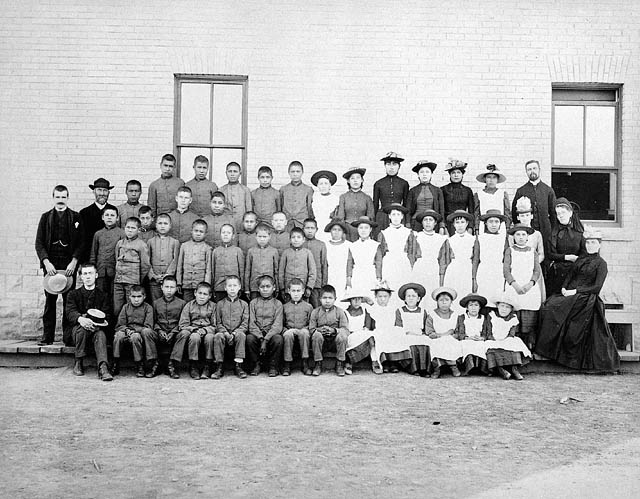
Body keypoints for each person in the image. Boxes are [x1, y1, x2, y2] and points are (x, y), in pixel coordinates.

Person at [536, 226, 620, 372]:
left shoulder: (601, 264)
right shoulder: (581, 259)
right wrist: (564, 287)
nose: (590, 246)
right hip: (570, 293)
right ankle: (547, 350)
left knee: (556, 309)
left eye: (593, 243)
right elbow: (570, 275)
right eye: (588, 243)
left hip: (586, 298)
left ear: (599, 245)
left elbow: (596, 287)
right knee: (548, 305)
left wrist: (575, 291)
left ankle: (558, 353)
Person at [36, 185, 83, 341]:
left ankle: (68, 337)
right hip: (51, 265)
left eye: (63, 197)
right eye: (58, 197)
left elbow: (81, 243)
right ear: (53, 198)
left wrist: (74, 262)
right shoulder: (45, 217)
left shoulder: (76, 217)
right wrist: (46, 262)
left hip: (69, 264)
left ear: (68, 198)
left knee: (69, 302)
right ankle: (47, 336)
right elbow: (39, 243)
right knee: (50, 301)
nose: (61, 200)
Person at [66, 263, 112, 380]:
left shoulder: (103, 295)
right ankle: (78, 361)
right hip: (78, 330)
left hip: (97, 329)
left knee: (101, 335)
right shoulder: (73, 294)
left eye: (90, 273)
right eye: (84, 274)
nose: (88, 276)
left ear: (96, 275)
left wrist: (96, 324)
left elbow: (108, 314)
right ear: (81, 276)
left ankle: (103, 367)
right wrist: (81, 319)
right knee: (81, 330)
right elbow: (70, 312)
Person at [504, 224, 543, 350]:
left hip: (529, 287)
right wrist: (514, 284)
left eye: (523, 235)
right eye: (518, 235)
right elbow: (506, 271)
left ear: (527, 237)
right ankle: (514, 346)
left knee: (529, 315)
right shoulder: (510, 250)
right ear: (514, 237)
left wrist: (530, 284)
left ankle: (529, 346)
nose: (521, 237)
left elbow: (537, 271)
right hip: (514, 286)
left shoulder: (533, 251)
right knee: (515, 313)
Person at [511, 160, 557, 254]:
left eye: (534, 168)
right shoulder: (521, 191)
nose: (532, 171)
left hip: (545, 232)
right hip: (526, 234)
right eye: (529, 169)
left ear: (539, 170)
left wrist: (551, 232)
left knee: (544, 256)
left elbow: (554, 214)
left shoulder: (548, 190)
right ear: (526, 172)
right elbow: (515, 214)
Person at [483, 294, 531, 380]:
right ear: (497, 306)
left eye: (507, 307)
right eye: (502, 306)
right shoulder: (492, 315)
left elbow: (511, 333)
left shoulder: (513, 318)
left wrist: (506, 339)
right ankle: (501, 369)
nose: (504, 309)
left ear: (511, 309)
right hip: (493, 339)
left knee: (514, 345)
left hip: (507, 339)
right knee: (490, 347)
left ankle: (514, 369)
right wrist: (492, 338)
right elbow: (488, 331)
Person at [377, 203, 418, 304]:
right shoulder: (383, 233)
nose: (396, 217)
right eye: (393, 214)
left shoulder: (408, 233)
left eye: (398, 214)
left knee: (403, 286)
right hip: (389, 263)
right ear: (389, 216)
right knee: (390, 287)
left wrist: (411, 267)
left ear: (402, 216)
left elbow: (412, 252)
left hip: (403, 262)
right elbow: (380, 254)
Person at [367, 284, 412, 374]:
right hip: (378, 331)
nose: (382, 299)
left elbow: (397, 323)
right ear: (375, 296)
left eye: (385, 296)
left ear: (389, 296)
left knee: (396, 333)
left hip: (391, 329)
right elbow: (369, 325)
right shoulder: (372, 309)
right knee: (380, 337)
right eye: (380, 296)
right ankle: (385, 362)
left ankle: (393, 362)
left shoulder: (393, 309)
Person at [113, 217, 151, 319]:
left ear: (138, 230)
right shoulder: (120, 243)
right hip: (118, 281)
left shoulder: (141, 245)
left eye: (133, 228)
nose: (130, 230)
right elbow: (116, 259)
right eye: (128, 227)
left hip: (132, 283)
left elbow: (145, 265)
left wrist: (137, 280)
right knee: (117, 308)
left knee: (131, 308)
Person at [112, 285, 154, 378]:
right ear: (129, 297)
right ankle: (116, 362)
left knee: (135, 337)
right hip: (126, 331)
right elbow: (120, 325)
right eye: (133, 297)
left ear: (144, 297)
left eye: (139, 297)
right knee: (118, 335)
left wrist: (135, 331)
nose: (136, 300)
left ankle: (139, 364)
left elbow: (148, 326)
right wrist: (126, 330)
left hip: (139, 333)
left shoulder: (148, 308)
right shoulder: (125, 307)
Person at [546, 198, 585, 296]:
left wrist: (577, 260)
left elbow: (585, 254)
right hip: (557, 273)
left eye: (563, 212)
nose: (561, 216)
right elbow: (550, 254)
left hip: (575, 273)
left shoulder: (580, 233)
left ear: (570, 213)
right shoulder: (554, 233)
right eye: (558, 213)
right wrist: (566, 257)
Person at [178, 281, 217, 379]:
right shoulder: (189, 305)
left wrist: (205, 330)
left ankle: (208, 366)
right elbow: (183, 324)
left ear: (209, 296)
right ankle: (193, 365)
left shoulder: (213, 307)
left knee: (210, 338)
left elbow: (216, 325)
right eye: (200, 293)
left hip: (208, 331)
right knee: (194, 337)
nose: (202, 296)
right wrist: (194, 329)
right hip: (193, 331)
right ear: (195, 293)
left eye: (205, 294)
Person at [246, 275, 284, 377]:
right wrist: (260, 337)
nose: (265, 289)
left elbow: (277, 325)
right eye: (262, 287)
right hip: (257, 334)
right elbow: (252, 323)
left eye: (268, 286)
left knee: (278, 339)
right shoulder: (253, 303)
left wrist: (266, 339)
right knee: (249, 338)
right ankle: (256, 364)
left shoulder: (278, 304)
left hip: (271, 334)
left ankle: (273, 366)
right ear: (258, 289)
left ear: (274, 288)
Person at [309, 285, 350, 376]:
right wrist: (318, 330)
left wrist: (334, 330)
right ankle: (318, 363)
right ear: (320, 299)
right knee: (316, 335)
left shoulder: (339, 312)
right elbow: (311, 329)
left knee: (342, 336)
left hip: (335, 343)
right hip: (321, 343)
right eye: (324, 298)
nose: (327, 301)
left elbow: (346, 330)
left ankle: (340, 363)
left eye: (330, 298)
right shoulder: (315, 312)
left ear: (335, 299)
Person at [441, 210, 478, 311]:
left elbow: (475, 258)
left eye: (462, 222)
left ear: (467, 223)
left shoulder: (473, 239)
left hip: (467, 270)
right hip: (454, 270)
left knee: (465, 294)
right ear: (453, 224)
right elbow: (446, 259)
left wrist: (474, 277)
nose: (460, 225)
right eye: (457, 222)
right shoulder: (450, 240)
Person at [213, 276, 248, 379]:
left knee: (241, 335)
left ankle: (238, 366)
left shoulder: (244, 304)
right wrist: (225, 332)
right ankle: (219, 366)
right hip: (224, 333)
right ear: (225, 288)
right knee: (218, 336)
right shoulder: (220, 304)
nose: (232, 288)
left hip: (237, 333)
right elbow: (218, 322)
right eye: (229, 286)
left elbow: (245, 323)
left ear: (239, 287)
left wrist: (235, 333)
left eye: (235, 286)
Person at [150, 275, 185, 379]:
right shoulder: (156, 303)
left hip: (175, 332)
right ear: (161, 287)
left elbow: (183, 322)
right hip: (159, 332)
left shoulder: (182, 303)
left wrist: (173, 332)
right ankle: (154, 363)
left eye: (172, 287)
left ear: (176, 288)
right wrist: (159, 330)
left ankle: (172, 364)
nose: (169, 290)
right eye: (166, 287)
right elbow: (153, 321)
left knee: (184, 333)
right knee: (147, 332)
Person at [90, 206, 125, 307]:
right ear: (102, 217)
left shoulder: (121, 234)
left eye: (112, 215)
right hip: (101, 271)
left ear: (117, 218)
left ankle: (113, 321)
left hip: (115, 272)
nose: (109, 218)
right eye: (107, 215)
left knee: (114, 298)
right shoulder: (98, 234)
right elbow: (93, 253)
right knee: (100, 296)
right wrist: (94, 270)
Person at [412, 210, 447, 311]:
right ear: (422, 222)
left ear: (435, 223)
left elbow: (442, 260)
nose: (428, 222)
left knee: (432, 295)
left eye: (430, 220)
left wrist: (441, 277)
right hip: (420, 268)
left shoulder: (441, 239)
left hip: (433, 269)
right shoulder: (416, 236)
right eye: (425, 220)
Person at [425, 287, 463, 378]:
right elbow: (429, 332)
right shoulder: (432, 315)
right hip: (436, 338)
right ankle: (437, 368)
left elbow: (458, 332)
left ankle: (453, 366)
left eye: (447, 300)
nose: (444, 302)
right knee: (436, 344)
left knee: (451, 342)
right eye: (441, 300)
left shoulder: (455, 315)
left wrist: (452, 335)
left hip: (451, 339)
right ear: (437, 302)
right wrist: (443, 334)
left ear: (451, 302)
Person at [394, 283, 431, 376]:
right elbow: (398, 327)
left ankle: (424, 369)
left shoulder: (423, 311)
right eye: (408, 296)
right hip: (406, 334)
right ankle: (413, 368)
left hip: (419, 334)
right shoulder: (400, 311)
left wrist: (423, 334)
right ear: (405, 298)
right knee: (410, 341)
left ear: (418, 299)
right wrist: (406, 332)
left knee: (425, 341)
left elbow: (425, 327)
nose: (411, 298)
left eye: (413, 296)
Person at [474, 209, 509, 306]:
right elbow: (476, 259)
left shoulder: (503, 238)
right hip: (484, 272)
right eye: (491, 221)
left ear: (500, 224)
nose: (493, 225)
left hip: (498, 272)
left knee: (497, 299)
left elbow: (506, 260)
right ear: (485, 223)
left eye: (496, 222)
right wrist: (474, 278)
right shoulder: (480, 238)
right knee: (484, 299)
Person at [79, 178, 117, 263]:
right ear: (94, 192)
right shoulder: (84, 213)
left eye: (105, 190)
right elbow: (81, 240)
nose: (102, 194)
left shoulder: (113, 211)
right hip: (88, 258)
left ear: (109, 192)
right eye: (99, 190)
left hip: (110, 260)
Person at [282, 278, 314, 375]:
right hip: (289, 331)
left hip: (303, 331)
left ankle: (305, 363)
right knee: (287, 334)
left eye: (298, 291)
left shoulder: (308, 307)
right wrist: (287, 330)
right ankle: (287, 364)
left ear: (303, 291)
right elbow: (281, 324)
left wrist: (304, 329)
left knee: (304, 333)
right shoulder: (285, 307)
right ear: (289, 291)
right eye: (293, 291)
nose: (296, 294)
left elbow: (311, 324)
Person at [176, 219, 213, 303]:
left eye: (201, 231)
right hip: (187, 284)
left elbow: (208, 269)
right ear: (191, 231)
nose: (198, 233)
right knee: (187, 304)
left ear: (205, 234)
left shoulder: (207, 248)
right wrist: (179, 282)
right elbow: (179, 265)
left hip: (200, 286)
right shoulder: (184, 246)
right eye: (196, 231)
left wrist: (206, 286)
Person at [372, 152, 409, 234]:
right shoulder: (378, 183)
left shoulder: (404, 183)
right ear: (385, 166)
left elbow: (406, 204)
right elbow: (375, 204)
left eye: (394, 164)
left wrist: (407, 221)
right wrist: (373, 222)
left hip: (398, 216)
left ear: (399, 166)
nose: (391, 167)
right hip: (382, 217)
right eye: (388, 164)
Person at [147, 213, 180, 303]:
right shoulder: (150, 242)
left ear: (170, 226)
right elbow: (147, 261)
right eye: (160, 223)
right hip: (155, 280)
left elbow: (175, 260)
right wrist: (153, 275)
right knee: (156, 302)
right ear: (156, 225)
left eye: (165, 224)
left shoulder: (175, 242)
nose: (162, 226)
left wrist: (168, 275)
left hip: (169, 280)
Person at [346, 216, 383, 295]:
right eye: (361, 228)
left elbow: (378, 263)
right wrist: (349, 279)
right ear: (357, 229)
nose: (363, 230)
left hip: (371, 275)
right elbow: (350, 263)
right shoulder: (353, 246)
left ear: (370, 229)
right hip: (357, 275)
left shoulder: (375, 245)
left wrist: (378, 279)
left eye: (366, 228)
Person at [336, 167, 375, 242]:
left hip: (363, 230)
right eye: (352, 178)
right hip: (347, 230)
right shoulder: (343, 197)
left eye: (358, 178)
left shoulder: (367, 198)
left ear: (362, 180)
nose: (355, 180)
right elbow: (341, 217)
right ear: (348, 181)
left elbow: (371, 217)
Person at [279, 227, 316, 302]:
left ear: (303, 240)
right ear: (290, 240)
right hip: (288, 288)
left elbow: (313, 271)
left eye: (299, 237)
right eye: (293, 237)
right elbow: (281, 272)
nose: (296, 239)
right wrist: (282, 288)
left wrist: (309, 287)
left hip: (303, 288)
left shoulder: (307, 253)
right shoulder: (286, 253)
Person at [406, 161, 445, 232]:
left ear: (431, 174)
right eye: (421, 172)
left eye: (427, 172)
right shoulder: (412, 191)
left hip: (432, 223)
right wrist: (408, 225)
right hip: (416, 223)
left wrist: (441, 226)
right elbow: (408, 210)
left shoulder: (437, 190)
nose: (424, 174)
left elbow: (441, 210)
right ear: (418, 175)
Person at [455, 294, 489, 376]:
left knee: (482, 345)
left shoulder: (484, 318)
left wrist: (482, 338)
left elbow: (485, 331)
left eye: (476, 305)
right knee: (467, 345)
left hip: (479, 339)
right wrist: (466, 337)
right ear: (467, 307)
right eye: (471, 305)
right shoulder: (462, 317)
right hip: (467, 339)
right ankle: (469, 367)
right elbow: (459, 332)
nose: (473, 308)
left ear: (480, 307)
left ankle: (481, 368)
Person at [244, 223, 280, 301]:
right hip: (254, 286)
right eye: (260, 236)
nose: (262, 239)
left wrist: (276, 287)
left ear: (269, 237)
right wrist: (247, 288)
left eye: (264, 237)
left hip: (269, 286)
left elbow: (276, 271)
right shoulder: (251, 251)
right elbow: (247, 271)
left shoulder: (274, 251)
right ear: (255, 237)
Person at [343, 289, 374, 375]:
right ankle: (349, 362)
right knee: (351, 341)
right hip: (351, 335)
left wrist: (366, 329)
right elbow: (345, 326)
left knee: (371, 337)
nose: (357, 302)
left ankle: (375, 360)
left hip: (362, 334)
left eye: (359, 299)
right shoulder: (345, 312)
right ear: (350, 300)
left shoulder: (365, 311)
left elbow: (367, 326)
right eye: (354, 299)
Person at [211, 224, 245, 302]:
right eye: (223, 232)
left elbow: (241, 271)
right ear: (220, 235)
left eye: (228, 233)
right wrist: (213, 287)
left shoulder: (237, 251)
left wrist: (241, 287)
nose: (225, 234)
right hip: (219, 287)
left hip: (234, 288)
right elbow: (212, 270)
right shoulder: (216, 251)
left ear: (233, 236)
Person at [474, 164, 511, 235]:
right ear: (485, 179)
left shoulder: (503, 194)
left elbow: (507, 213)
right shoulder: (478, 194)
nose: (491, 180)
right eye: (489, 177)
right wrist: (476, 228)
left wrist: (507, 227)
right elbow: (476, 213)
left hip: (500, 226)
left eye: (494, 177)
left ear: (497, 180)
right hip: (483, 226)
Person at [442, 159, 474, 235]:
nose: (456, 175)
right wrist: (444, 227)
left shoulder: (467, 190)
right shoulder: (443, 189)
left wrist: (470, 227)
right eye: (453, 173)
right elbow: (441, 210)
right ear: (450, 174)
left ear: (462, 174)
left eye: (458, 172)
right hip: (448, 223)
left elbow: (471, 211)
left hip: (463, 223)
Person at [280, 160, 314, 230]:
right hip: (287, 223)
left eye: (298, 171)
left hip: (302, 223)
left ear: (302, 172)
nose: (295, 174)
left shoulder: (308, 189)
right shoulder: (283, 189)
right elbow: (280, 207)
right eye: (292, 171)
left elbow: (309, 207)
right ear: (289, 173)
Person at [324, 220, 352, 304]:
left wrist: (348, 279)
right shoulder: (325, 245)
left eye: (339, 230)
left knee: (342, 300)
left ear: (343, 232)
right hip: (330, 276)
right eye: (334, 229)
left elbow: (350, 263)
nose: (336, 232)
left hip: (342, 277)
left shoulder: (348, 245)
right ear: (330, 231)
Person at [303, 218, 328, 308]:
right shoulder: (300, 244)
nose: (310, 231)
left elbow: (324, 265)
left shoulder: (321, 245)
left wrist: (323, 284)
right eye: (307, 228)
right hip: (302, 283)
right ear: (303, 229)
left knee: (316, 307)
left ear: (316, 230)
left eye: (312, 228)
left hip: (317, 284)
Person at [220, 161, 251, 232]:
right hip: (226, 225)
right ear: (226, 173)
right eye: (230, 171)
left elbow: (249, 211)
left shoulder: (245, 190)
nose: (232, 174)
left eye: (235, 171)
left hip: (241, 226)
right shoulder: (221, 190)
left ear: (240, 173)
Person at [310, 170, 339, 244]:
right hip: (318, 227)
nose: (323, 186)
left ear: (330, 185)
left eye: (326, 183)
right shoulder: (314, 198)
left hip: (330, 227)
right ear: (317, 185)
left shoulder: (335, 199)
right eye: (321, 184)